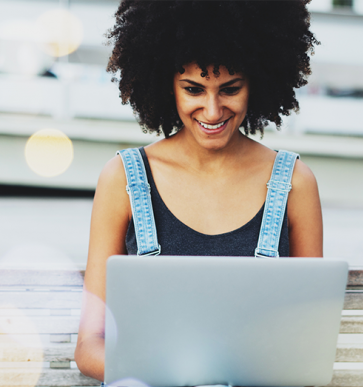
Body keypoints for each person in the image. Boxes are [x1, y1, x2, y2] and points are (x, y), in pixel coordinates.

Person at [74, 0, 322, 382]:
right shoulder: (123, 179)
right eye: (193, 89)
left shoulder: (295, 183)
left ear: (256, 82)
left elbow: (306, 344)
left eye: (230, 89)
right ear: (165, 84)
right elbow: (90, 344)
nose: (211, 110)